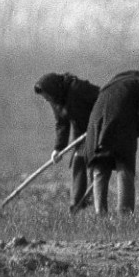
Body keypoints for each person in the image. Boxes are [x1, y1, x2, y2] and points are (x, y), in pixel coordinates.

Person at [82, 70, 139, 214]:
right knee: (124, 166)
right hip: (121, 126)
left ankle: (100, 214)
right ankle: (124, 214)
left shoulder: (109, 86)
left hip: (96, 128)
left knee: (100, 168)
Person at [34, 72, 99, 211]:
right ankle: (76, 203)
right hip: (80, 131)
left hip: (97, 127)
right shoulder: (56, 99)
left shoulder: (78, 89)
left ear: (53, 89)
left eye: (46, 96)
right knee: (78, 161)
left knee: (95, 163)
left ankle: (96, 200)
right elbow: (62, 123)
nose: (46, 99)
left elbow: (101, 101)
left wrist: (98, 124)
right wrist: (58, 148)